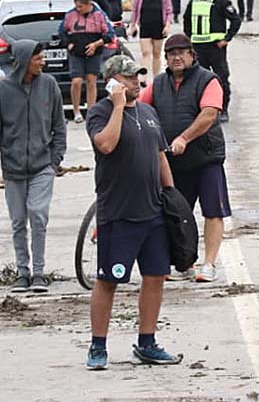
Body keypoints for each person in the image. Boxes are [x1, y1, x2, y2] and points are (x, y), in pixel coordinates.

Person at [84, 55, 182, 370]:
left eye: (137, 76)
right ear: (112, 81)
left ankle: (147, 342)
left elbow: (160, 157)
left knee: (155, 277)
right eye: (128, 78)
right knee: (109, 281)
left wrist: (173, 199)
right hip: (118, 213)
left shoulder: (149, 113)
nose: (136, 82)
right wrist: (115, 105)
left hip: (153, 212)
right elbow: (106, 145)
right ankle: (98, 346)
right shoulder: (100, 113)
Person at [0, 40, 68, 293]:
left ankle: (39, 273)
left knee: (37, 215)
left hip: (42, 166)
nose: (43, 62)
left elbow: (59, 127)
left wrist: (54, 161)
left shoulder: (49, 86)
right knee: (18, 221)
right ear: (24, 59)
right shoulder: (2, 91)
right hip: (13, 169)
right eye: (38, 58)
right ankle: (22, 272)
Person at [141, 34, 230, 283]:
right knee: (177, 213)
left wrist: (184, 138)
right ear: (166, 59)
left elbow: (208, 115)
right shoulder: (158, 84)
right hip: (173, 161)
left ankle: (210, 264)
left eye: (182, 52)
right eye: (171, 54)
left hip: (205, 158)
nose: (177, 57)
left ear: (192, 55)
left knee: (213, 211)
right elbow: (140, 107)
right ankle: (184, 262)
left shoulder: (208, 80)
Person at [183, 0, 241, 123]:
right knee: (198, 79)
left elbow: (235, 20)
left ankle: (223, 109)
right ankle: (202, 108)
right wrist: (189, 39)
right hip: (198, 47)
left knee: (221, 77)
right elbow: (187, 20)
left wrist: (226, 39)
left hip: (215, 48)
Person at [61, 0, 114, 122]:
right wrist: (68, 44)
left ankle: (91, 110)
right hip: (76, 53)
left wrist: (96, 44)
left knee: (91, 81)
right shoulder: (70, 15)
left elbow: (109, 34)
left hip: (94, 52)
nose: (78, 9)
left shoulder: (99, 15)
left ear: (88, 4)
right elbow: (62, 31)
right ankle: (76, 110)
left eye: (80, 7)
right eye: (76, 6)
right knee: (76, 81)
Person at [130, 0, 173, 77]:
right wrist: (133, 24)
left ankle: (156, 77)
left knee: (156, 53)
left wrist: (167, 26)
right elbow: (135, 9)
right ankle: (143, 76)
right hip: (145, 26)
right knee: (145, 52)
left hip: (158, 27)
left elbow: (169, 12)